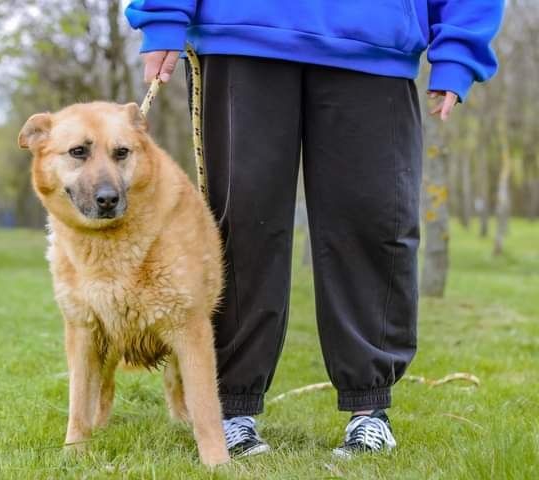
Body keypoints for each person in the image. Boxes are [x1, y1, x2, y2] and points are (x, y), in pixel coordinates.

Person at [125, 1, 504, 458]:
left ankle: (370, 411)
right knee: (241, 224)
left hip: (376, 41)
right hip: (240, 33)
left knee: (374, 224)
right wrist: (165, 15)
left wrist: (459, 47)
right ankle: (229, 409)